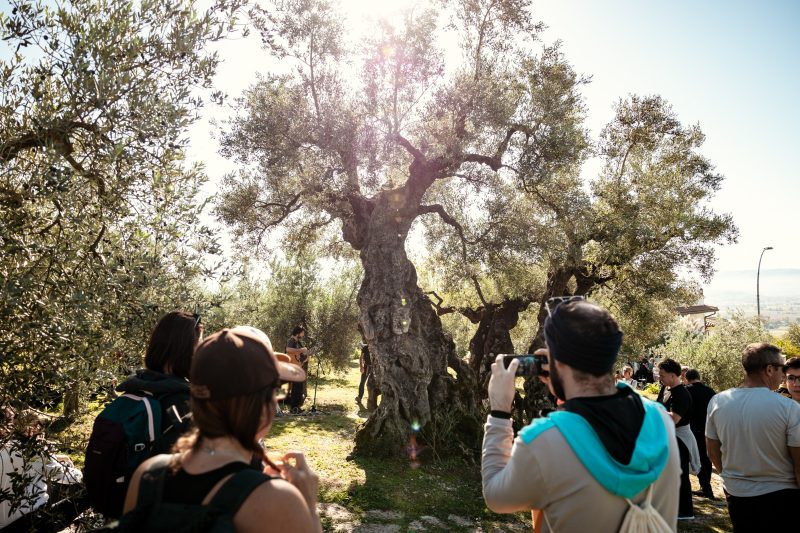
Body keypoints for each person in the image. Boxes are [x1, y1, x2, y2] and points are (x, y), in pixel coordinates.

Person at [482, 299, 680, 531]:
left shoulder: (543, 441)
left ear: (557, 361)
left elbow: (496, 497)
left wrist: (499, 412)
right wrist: (564, 384)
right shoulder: (660, 420)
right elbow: (593, 417)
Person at [122, 326, 321, 532]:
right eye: (274, 391)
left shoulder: (147, 475)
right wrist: (308, 505)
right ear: (262, 405)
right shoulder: (278, 500)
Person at [706, 343, 800, 531]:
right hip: (781, 496)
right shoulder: (789, 408)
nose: (783, 375)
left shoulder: (718, 401)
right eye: (782, 369)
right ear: (769, 369)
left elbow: (712, 451)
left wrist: (731, 478)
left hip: (736, 494)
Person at [1, 407, 84, 531]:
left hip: (3, 522)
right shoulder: (33, 450)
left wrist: (56, 458)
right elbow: (70, 477)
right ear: (33, 427)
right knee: (85, 488)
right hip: (29, 521)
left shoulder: (5, 447)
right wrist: (79, 472)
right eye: (40, 427)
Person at [657, 358, 700, 520]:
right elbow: (659, 406)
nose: (659, 378)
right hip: (669, 437)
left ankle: (686, 511)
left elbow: (674, 419)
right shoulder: (666, 388)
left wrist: (654, 411)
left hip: (680, 439)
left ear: (674, 375)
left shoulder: (682, 394)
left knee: (680, 475)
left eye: (662, 375)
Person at [685, 368, 717, 498]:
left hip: (691, 429)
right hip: (707, 429)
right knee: (705, 459)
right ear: (699, 377)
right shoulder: (710, 391)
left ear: (686, 378)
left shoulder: (686, 390)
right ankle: (706, 487)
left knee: (688, 458)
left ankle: (694, 488)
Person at [286, 326, 309, 413]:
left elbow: (299, 356)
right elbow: (288, 350)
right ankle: (294, 408)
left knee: (299, 387)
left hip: (298, 366)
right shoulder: (291, 340)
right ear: (298, 333)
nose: (303, 335)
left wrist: (305, 358)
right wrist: (302, 349)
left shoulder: (298, 342)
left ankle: (297, 407)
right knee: (296, 388)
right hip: (293, 367)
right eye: (302, 333)